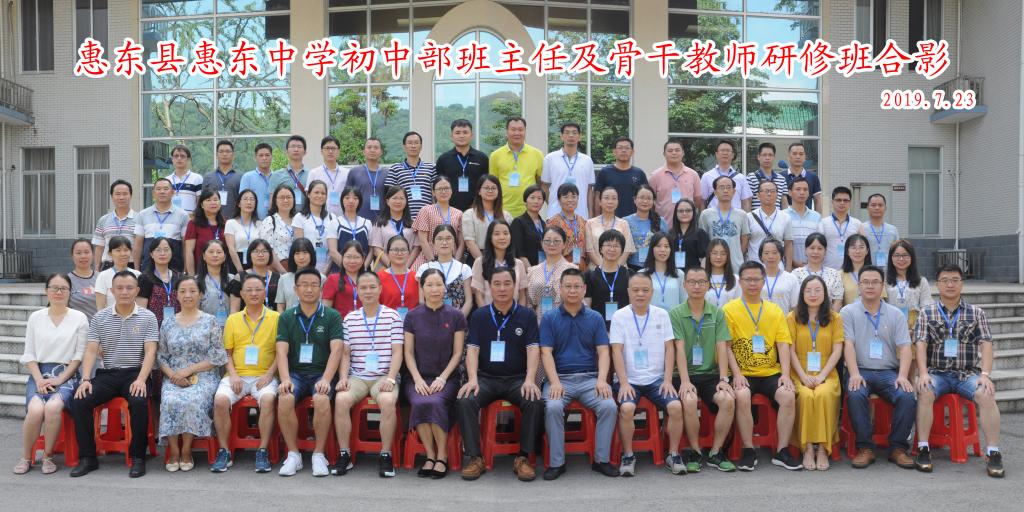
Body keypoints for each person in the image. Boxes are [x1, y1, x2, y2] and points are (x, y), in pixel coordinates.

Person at [913, 264, 1004, 478]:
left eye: (955, 280)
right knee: (925, 391)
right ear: (937, 285)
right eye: (945, 280)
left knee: (987, 394)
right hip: (937, 373)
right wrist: (923, 373)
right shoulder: (926, 313)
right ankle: (923, 448)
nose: (950, 284)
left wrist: (985, 375)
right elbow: (920, 344)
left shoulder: (976, 313)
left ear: (962, 284)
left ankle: (993, 452)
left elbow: (986, 344)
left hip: (967, 374)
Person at [69, 270, 159, 478]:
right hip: (107, 374)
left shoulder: (148, 317)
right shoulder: (100, 317)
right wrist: (85, 379)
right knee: (80, 400)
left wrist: (141, 379)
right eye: (119, 288)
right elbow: (91, 350)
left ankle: (138, 457)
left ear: (137, 290)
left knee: (138, 400)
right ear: (111, 290)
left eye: (129, 288)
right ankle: (88, 458)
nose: (124, 292)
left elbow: (151, 352)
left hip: (135, 373)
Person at [457, 267, 543, 481]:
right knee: (466, 400)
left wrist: (530, 379)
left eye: (507, 283)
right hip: (486, 379)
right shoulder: (479, 315)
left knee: (534, 400)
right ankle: (475, 457)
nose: (502, 288)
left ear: (515, 286)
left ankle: (523, 457)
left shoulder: (526, 315)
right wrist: (473, 379)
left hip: (517, 379)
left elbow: (533, 349)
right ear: (489, 287)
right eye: (497, 284)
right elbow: (472, 350)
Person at [540, 268, 619, 480]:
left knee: (609, 406)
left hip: (590, 379)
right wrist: (554, 382)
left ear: (584, 289)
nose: (572, 290)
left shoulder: (595, 318)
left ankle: (601, 460)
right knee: (553, 407)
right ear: (560, 289)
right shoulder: (549, 318)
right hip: (560, 380)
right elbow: (545, 353)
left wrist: (602, 380)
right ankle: (557, 463)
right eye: (568, 286)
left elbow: (604, 352)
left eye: (577, 286)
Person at [723, 261, 802, 471]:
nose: (752, 283)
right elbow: (726, 346)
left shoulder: (774, 310)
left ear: (763, 281)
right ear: (740, 282)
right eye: (747, 279)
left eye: (756, 279)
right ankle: (749, 449)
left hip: (770, 372)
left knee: (787, 395)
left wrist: (785, 375)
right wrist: (736, 374)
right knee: (742, 395)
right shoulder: (729, 309)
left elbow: (783, 344)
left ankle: (782, 451)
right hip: (742, 372)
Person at [841, 265, 916, 469]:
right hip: (860, 370)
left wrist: (902, 376)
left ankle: (898, 448)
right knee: (856, 393)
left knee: (906, 396)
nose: (870, 286)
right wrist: (853, 373)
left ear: (882, 286)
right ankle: (865, 448)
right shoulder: (848, 312)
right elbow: (848, 344)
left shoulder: (895, 314)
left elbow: (905, 347)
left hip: (888, 372)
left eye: (875, 282)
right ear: (859, 286)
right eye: (865, 282)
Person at [610, 272, 685, 475]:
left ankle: (673, 454)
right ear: (628, 292)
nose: (640, 294)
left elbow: (670, 348)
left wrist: (667, 380)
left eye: (645, 290)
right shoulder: (619, 316)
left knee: (676, 407)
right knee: (626, 408)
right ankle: (628, 455)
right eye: (635, 290)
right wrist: (624, 383)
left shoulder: (662, 314)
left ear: (652, 292)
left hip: (656, 379)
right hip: (629, 380)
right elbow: (616, 351)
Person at [13, 274, 88, 475]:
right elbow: (29, 354)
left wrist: (60, 379)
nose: (58, 292)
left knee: (53, 407)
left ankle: (48, 456)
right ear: (46, 290)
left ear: (70, 292)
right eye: (54, 287)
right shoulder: (36, 317)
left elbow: (79, 356)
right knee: (35, 409)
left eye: (63, 288)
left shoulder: (79, 318)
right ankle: (26, 457)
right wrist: (39, 379)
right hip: (39, 373)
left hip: (67, 374)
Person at [333, 270, 404, 478]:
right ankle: (344, 454)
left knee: (388, 401)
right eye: (363, 287)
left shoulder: (392, 316)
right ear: (357, 291)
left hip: (384, 375)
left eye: (372, 287)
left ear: (380, 289)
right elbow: (346, 353)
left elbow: (397, 351)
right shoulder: (350, 319)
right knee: (341, 399)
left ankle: (385, 454)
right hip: (358, 376)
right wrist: (343, 378)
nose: (368, 291)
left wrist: (391, 378)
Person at [275, 268, 344, 477]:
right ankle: (293, 455)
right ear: (296, 289)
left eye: (314, 285)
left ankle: (319, 454)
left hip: (321, 373)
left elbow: (337, 350)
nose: (309, 289)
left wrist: (326, 379)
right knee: (285, 397)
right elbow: (281, 351)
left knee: (321, 399)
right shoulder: (287, 316)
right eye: (304, 285)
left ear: (321, 289)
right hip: (295, 373)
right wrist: (285, 379)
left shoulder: (331, 315)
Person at [211, 274, 280, 473]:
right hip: (237, 375)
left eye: (258, 289)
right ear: (241, 294)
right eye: (248, 290)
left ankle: (262, 450)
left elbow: (281, 352)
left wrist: (269, 374)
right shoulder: (233, 320)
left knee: (268, 399)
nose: (253, 293)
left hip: (264, 375)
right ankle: (224, 451)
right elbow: (227, 352)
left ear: (265, 292)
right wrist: (232, 375)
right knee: (220, 401)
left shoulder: (276, 318)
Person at [157, 276, 227, 472]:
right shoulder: (167, 323)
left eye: (192, 291)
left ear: (201, 294)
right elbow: (161, 356)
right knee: (170, 400)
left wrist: (188, 371)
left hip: (204, 375)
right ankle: (174, 450)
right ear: (177, 295)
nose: (187, 295)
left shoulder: (210, 321)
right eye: (183, 291)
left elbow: (217, 356)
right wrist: (173, 375)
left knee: (192, 400)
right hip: (174, 376)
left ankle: (187, 450)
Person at [671, 266, 737, 472]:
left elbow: (722, 346)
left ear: (708, 285)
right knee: (689, 400)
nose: (697, 286)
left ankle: (716, 452)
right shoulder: (676, 313)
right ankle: (695, 451)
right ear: (684, 285)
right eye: (692, 282)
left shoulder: (717, 313)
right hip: (683, 374)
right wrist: (685, 381)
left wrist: (723, 379)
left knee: (727, 400)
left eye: (701, 282)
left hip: (710, 374)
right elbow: (679, 348)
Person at [402, 269, 467, 479]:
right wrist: (417, 379)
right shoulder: (412, 316)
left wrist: (442, 378)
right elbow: (408, 352)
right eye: (429, 285)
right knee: (420, 401)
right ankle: (430, 455)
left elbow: (458, 353)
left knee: (436, 402)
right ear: (422, 288)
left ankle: (442, 456)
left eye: (438, 284)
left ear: (445, 287)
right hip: (418, 377)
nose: (434, 289)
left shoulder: (456, 315)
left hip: (447, 378)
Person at [788, 275, 844, 471]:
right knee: (804, 396)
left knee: (822, 394)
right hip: (799, 371)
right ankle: (807, 447)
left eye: (818, 290)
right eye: (808, 290)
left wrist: (821, 376)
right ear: (802, 294)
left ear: (825, 294)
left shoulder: (835, 318)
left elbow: (837, 350)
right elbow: (789, 350)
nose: (813, 294)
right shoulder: (792, 317)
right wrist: (803, 376)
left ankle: (822, 448)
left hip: (826, 372)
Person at [489, 117, 543, 217]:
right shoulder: (495, 155)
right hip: (503, 210)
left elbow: (540, 182)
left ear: (525, 131)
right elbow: (493, 184)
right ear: (507, 132)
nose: (517, 133)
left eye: (520, 130)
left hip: (529, 210)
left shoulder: (537, 154)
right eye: (513, 130)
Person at [134, 178, 189, 272]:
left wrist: (185, 269)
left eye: (166, 189)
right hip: (148, 268)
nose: (162, 192)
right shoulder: (142, 214)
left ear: (172, 192)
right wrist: (137, 270)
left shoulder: (183, 215)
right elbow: (138, 244)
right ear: (153, 193)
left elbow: (185, 245)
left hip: (175, 268)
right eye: (158, 189)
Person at [417, 225, 473, 317]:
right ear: (433, 243)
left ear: (454, 242)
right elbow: (422, 301)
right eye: (439, 239)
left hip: (457, 321)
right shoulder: (425, 268)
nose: (444, 242)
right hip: (431, 320)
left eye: (448, 238)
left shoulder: (464, 268)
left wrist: (457, 321)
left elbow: (469, 301)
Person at [471, 219, 528, 307]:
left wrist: (519, 314)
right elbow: (479, 296)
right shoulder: (480, 262)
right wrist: (487, 314)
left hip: (514, 314)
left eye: (505, 233)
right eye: (497, 234)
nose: (502, 237)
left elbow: (522, 296)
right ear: (490, 237)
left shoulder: (518, 264)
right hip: (488, 313)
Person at [542, 122, 595, 218]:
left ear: (579, 137)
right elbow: (544, 186)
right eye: (567, 132)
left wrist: (590, 214)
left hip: (581, 214)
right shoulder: (550, 158)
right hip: (555, 214)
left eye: (574, 133)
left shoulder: (587, 160)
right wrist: (554, 202)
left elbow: (589, 190)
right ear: (561, 136)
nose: (571, 135)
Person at [435, 119, 489, 212]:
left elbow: (485, 184)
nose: (461, 136)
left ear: (471, 135)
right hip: (449, 210)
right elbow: (439, 186)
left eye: (465, 132)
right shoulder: (443, 159)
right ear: (452, 136)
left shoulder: (482, 158)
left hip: (477, 209)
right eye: (457, 133)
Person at [699, 175, 749, 272]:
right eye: (721, 187)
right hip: (713, 265)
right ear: (715, 192)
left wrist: (736, 255)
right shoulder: (706, 214)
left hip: (736, 265)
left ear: (734, 191)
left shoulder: (742, 214)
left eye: (729, 187)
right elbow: (703, 241)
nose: (725, 190)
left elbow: (744, 241)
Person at [525, 226, 577, 321]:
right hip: (539, 321)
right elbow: (529, 303)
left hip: (565, 320)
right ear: (542, 243)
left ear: (564, 244)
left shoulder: (572, 270)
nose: (552, 244)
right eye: (547, 241)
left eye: (556, 241)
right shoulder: (533, 271)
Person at [585, 230, 632, 327]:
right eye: (608, 245)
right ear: (601, 249)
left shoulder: (629, 274)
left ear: (622, 250)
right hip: (598, 327)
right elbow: (587, 307)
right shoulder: (590, 276)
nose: (612, 249)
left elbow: (632, 304)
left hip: (624, 326)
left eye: (616, 246)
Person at [649, 139, 702, 225]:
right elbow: (650, 201)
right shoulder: (655, 176)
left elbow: (697, 200)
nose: (674, 153)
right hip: (663, 226)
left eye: (677, 150)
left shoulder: (693, 174)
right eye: (670, 151)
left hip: (687, 226)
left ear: (683, 153)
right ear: (664, 154)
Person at [462, 175, 513, 264]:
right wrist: (484, 263)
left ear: (498, 191)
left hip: (502, 259)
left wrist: (499, 263)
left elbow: (511, 241)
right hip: (478, 259)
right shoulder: (469, 214)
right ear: (479, 191)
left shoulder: (506, 215)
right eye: (486, 188)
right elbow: (469, 242)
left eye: (493, 188)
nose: (490, 191)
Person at [384, 131, 436, 219]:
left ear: (421, 146)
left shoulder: (431, 168)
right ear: (404, 147)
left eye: (416, 143)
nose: (413, 146)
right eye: (410, 143)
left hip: (427, 217)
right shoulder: (395, 168)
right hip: (404, 218)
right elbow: (390, 195)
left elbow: (436, 194)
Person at [886, 239, 934, 331]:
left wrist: (916, 328)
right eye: (897, 255)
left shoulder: (922, 281)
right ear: (891, 258)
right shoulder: (884, 282)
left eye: (905, 255)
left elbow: (926, 306)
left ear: (912, 257)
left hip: (916, 329)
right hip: (890, 328)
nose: (901, 259)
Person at [413, 176, 464, 263]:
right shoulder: (425, 210)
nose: (443, 192)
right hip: (427, 259)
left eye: (446, 188)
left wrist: (456, 262)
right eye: (440, 189)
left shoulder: (459, 213)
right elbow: (423, 240)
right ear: (433, 192)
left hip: (452, 260)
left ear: (451, 191)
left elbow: (462, 243)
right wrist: (433, 262)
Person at [292, 180, 338, 275]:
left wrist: (326, 272)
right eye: (316, 192)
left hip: (328, 269)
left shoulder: (332, 218)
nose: (320, 196)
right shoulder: (300, 217)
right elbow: (300, 247)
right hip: (306, 270)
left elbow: (334, 249)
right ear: (308, 194)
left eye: (323, 193)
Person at [595, 137, 648, 218]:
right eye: (620, 148)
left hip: (634, 220)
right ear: (614, 151)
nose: (623, 150)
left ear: (632, 152)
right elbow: (597, 196)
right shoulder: (605, 172)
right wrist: (597, 218)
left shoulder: (639, 173)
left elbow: (646, 197)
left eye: (627, 148)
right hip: (610, 220)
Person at [370, 186, 420, 270]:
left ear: (406, 201)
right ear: (387, 201)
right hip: (384, 269)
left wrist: (406, 267)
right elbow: (376, 249)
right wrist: (391, 265)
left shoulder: (413, 223)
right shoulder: (379, 223)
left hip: (409, 269)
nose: (398, 201)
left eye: (401, 198)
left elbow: (416, 248)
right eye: (394, 198)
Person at [584, 187, 636, 268]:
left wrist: (616, 268)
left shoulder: (624, 223)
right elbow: (589, 249)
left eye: (614, 198)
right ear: (600, 202)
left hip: (619, 269)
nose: (610, 201)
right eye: (606, 198)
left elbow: (627, 249)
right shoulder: (590, 223)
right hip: (596, 269)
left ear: (617, 202)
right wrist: (603, 268)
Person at [791, 233, 844, 311]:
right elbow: (793, 303)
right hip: (802, 317)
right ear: (805, 250)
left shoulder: (834, 274)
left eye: (820, 248)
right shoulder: (795, 274)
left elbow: (837, 301)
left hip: (828, 317)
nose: (816, 252)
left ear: (825, 251)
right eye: (812, 248)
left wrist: (829, 317)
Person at [92, 179, 136, 271]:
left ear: (131, 195)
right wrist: (96, 270)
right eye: (117, 194)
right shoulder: (103, 220)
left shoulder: (139, 219)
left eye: (125, 194)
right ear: (112, 196)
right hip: (108, 266)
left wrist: (138, 269)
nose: (121, 197)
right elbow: (99, 247)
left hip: (131, 266)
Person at [137, 237, 182, 326]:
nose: (162, 253)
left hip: (177, 327)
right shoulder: (145, 278)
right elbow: (141, 311)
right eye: (158, 250)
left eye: (166, 250)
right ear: (151, 254)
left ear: (172, 253)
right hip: (153, 328)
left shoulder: (179, 277)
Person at [328, 186, 373, 271]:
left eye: (355, 198)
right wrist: (348, 268)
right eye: (347, 198)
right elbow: (333, 251)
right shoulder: (334, 223)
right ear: (342, 200)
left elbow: (371, 251)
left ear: (359, 202)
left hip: (363, 272)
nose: (351, 201)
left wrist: (362, 268)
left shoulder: (367, 223)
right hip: (340, 271)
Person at [782, 176, 822, 270]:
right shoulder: (782, 216)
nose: (802, 192)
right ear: (790, 192)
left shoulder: (816, 217)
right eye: (798, 189)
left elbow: (820, 243)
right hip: (788, 268)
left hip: (811, 268)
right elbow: (781, 243)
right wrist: (792, 262)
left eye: (805, 189)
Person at [343, 138, 389, 220]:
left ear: (381, 152)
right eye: (369, 147)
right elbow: (346, 197)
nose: (372, 150)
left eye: (376, 147)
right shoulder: (354, 172)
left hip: (383, 220)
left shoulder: (387, 173)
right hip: (359, 220)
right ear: (364, 151)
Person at [700, 140, 752, 212]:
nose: (725, 153)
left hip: (735, 217)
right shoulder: (707, 176)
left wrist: (745, 217)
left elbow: (746, 201)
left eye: (728, 151)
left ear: (733, 155)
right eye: (722, 150)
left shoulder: (741, 178)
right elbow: (702, 201)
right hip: (713, 217)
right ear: (716, 154)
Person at [196, 239, 239, 326]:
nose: (215, 255)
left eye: (219, 252)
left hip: (229, 327)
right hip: (205, 328)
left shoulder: (233, 279)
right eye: (211, 252)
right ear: (204, 256)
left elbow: (235, 310)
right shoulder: (196, 281)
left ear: (224, 257)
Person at [746, 180, 790, 265]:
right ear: (758, 196)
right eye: (766, 191)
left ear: (777, 195)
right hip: (754, 266)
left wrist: (788, 268)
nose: (769, 194)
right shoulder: (749, 217)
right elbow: (745, 244)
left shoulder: (785, 217)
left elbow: (788, 245)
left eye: (772, 191)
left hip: (778, 267)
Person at [184, 188, 225, 275]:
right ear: (202, 205)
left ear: (220, 203)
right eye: (208, 200)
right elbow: (189, 251)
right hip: (200, 273)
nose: (213, 203)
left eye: (215, 199)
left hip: (222, 272)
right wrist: (191, 276)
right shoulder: (193, 224)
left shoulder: (226, 224)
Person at [818, 186, 861, 270]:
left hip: (851, 270)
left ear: (850, 203)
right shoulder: (823, 223)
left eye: (845, 200)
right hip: (828, 269)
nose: (842, 203)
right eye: (838, 200)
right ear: (832, 202)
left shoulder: (857, 224)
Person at [377, 236, 419, 318]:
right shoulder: (379, 277)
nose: (399, 253)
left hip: (412, 323)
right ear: (388, 253)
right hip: (387, 322)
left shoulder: (416, 277)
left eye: (403, 250)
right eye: (395, 250)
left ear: (409, 253)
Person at [307, 136, 349, 218]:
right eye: (327, 148)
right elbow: (309, 197)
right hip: (319, 217)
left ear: (338, 151)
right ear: (321, 151)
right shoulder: (314, 173)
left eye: (333, 148)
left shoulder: (347, 173)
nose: (330, 151)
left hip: (341, 218)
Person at [276, 238, 322, 312]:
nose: (301, 257)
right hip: (289, 319)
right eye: (297, 253)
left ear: (311, 254)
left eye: (305, 252)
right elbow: (280, 306)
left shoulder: (321, 278)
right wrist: (283, 319)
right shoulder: (284, 279)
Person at [95, 236, 141, 311]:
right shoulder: (103, 276)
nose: (123, 254)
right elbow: (100, 307)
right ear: (110, 253)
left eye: (126, 250)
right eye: (118, 250)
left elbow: (141, 305)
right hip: (109, 317)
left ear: (131, 252)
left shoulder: (138, 275)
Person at [323, 241, 367, 318]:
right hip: (340, 323)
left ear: (363, 259)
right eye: (348, 257)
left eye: (356, 257)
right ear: (342, 258)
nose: (352, 261)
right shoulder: (333, 279)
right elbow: (326, 310)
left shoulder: (368, 279)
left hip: (366, 323)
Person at [644, 232, 686, 310]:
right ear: (652, 248)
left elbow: (684, 302)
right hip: (651, 317)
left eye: (666, 246)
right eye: (658, 246)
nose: (663, 250)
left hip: (674, 317)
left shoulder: (679, 274)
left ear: (671, 249)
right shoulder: (642, 274)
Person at [260, 185, 297, 273]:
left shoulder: (298, 220)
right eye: (282, 197)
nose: (286, 200)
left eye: (289, 197)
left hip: (297, 268)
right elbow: (268, 249)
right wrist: (283, 272)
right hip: (277, 270)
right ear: (275, 201)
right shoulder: (269, 221)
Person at [203, 140, 242, 219]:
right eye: (221, 151)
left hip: (235, 221)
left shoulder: (241, 177)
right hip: (212, 221)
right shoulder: (208, 177)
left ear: (233, 155)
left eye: (228, 151)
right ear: (216, 155)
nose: (224, 154)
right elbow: (203, 200)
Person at [759, 239, 800, 315]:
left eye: (774, 253)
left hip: (784, 321)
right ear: (761, 256)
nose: (770, 256)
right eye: (766, 253)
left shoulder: (791, 278)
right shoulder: (755, 278)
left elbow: (795, 307)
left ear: (781, 255)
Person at [224, 189, 261, 273]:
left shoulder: (260, 224)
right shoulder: (231, 223)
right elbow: (231, 249)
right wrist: (240, 271)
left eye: (252, 199)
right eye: (245, 199)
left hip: (255, 262)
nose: (249, 202)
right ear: (239, 204)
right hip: (236, 262)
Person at [510, 185, 547, 268]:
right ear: (525, 201)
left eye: (539, 198)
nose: (536, 201)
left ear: (543, 203)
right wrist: (531, 271)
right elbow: (519, 252)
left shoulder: (543, 224)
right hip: (526, 268)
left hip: (543, 267)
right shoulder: (518, 222)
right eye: (532, 198)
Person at [268, 135, 309, 209]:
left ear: (305, 152)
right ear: (286, 151)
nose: (296, 149)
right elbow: (272, 202)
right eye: (293, 146)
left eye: (299, 147)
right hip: (284, 215)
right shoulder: (276, 175)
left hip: (305, 215)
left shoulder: (311, 175)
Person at [859, 193, 900, 268]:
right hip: (867, 271)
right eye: (873, 205)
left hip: (889, 271)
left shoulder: (893, 230)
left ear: (885, 208)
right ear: (867, 208)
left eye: (880, 205)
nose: (877, 208)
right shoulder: (861, 228)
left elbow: (897, 252)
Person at [624, 185, 659, 271]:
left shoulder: (660, 221)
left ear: (653, 201)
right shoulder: (625, 221)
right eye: (642, 197)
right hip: (631, 267)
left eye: (649, 198)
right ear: (635, 200)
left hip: (654, 266)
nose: (645, 201)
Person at [668, 198, 709, 270]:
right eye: (681, 211)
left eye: (688, 210)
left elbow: (704, 257)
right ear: (676, 213)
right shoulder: (670, 233)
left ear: (694, 212)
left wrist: (702, 273)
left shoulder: (700, 233)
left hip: (693, 274)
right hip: (674, 273)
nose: (684, 213)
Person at [747, 142, 789, 210]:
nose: (767, 158)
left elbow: (784, 204)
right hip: (757, 216)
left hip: (777, 216)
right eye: (764, 155)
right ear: (758, 157)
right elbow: (747, 203)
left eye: (770, 155)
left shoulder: (781, 179)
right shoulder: (750, 178)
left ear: (774, 157)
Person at [782, 142, 822, 214]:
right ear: (788, 157)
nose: (798, 157)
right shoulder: (781, 177)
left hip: (807, 218)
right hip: (785, 219)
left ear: (805, 157)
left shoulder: (813, 177)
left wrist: (818, 218)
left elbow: (817, 201)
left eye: (801, 154)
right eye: (794, 154)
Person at [239, 143, 277, 218]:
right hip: (254, 221)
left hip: (274, 220)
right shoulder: (247, 177)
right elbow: (243, 200)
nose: (264, 158)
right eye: (261, 155)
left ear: (272, 157)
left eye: (267, 155)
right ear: (255, 158)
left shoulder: (277, 177)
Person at [167, 144, 204, 215]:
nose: (179, 158)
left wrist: (195, 217)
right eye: (176, 156)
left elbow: (200, 202)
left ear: (188, 159)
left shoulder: (197, 178)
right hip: (170, 217)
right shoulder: (167, 180)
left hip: (190, 218)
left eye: (182, 156)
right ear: (172, 159)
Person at [246, 239, 281, 309]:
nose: (260, 255)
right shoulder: (240, 277)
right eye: (256, 251)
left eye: (264, 251)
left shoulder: (278, 277)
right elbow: (234, 308)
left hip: (273, 315)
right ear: (250, 255)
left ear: (270, 254)